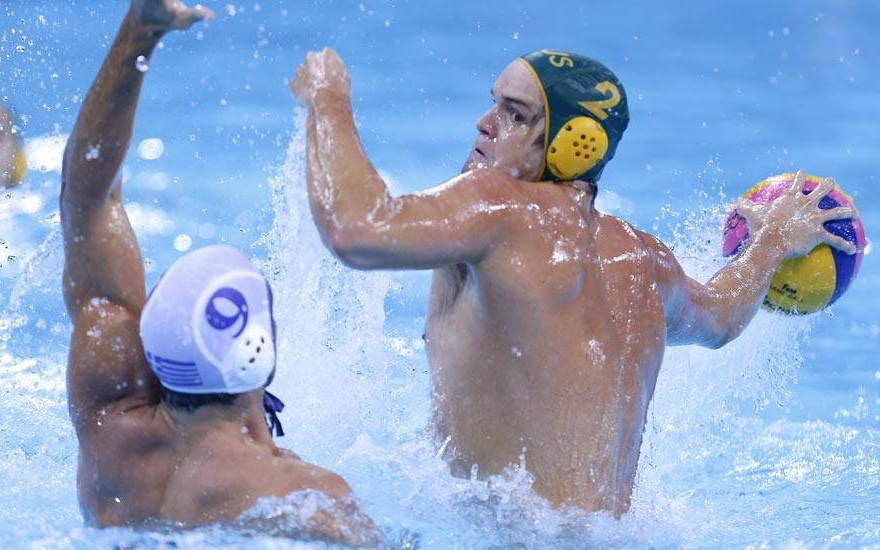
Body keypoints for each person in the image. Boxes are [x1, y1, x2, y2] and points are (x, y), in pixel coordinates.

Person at [291, 48, 858, 517]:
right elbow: (725, 317)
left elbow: (355, 229)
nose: (484, 124)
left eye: (514, 115)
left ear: (572, 144)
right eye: (494, 105)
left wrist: (328, 97)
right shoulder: (645, 260)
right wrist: (773, 242)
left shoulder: (501, 208)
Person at [61, 2, 375, 544]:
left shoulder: (107, 428)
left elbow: (86, 197)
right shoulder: (308, 497)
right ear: (263, 352)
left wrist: (140, 33)